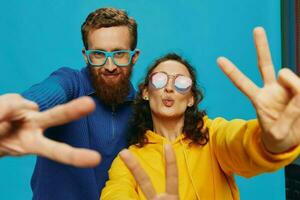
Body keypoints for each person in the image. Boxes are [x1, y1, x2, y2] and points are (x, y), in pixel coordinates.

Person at [101, 27, 300, 200]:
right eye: (160, 79)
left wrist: (271, 142)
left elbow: (240, 143)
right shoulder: (128, 161)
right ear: (146, 92)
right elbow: (115, 194)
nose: (169, 88)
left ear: (191, 99)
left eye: (181, 83)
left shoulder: (213, 136)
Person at [21, 8, 140, 200]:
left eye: (119, 54)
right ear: (86, 56)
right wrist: (20, 109)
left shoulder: (142, 111)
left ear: (134, 57)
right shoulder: (71, 83)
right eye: (99, 54)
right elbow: (47, 92)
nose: (110, 66)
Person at [0, 94, 101, 167]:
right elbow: (51, 88)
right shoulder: (72, 79)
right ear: (86, 62)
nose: (110, 67)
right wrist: (27, 105)